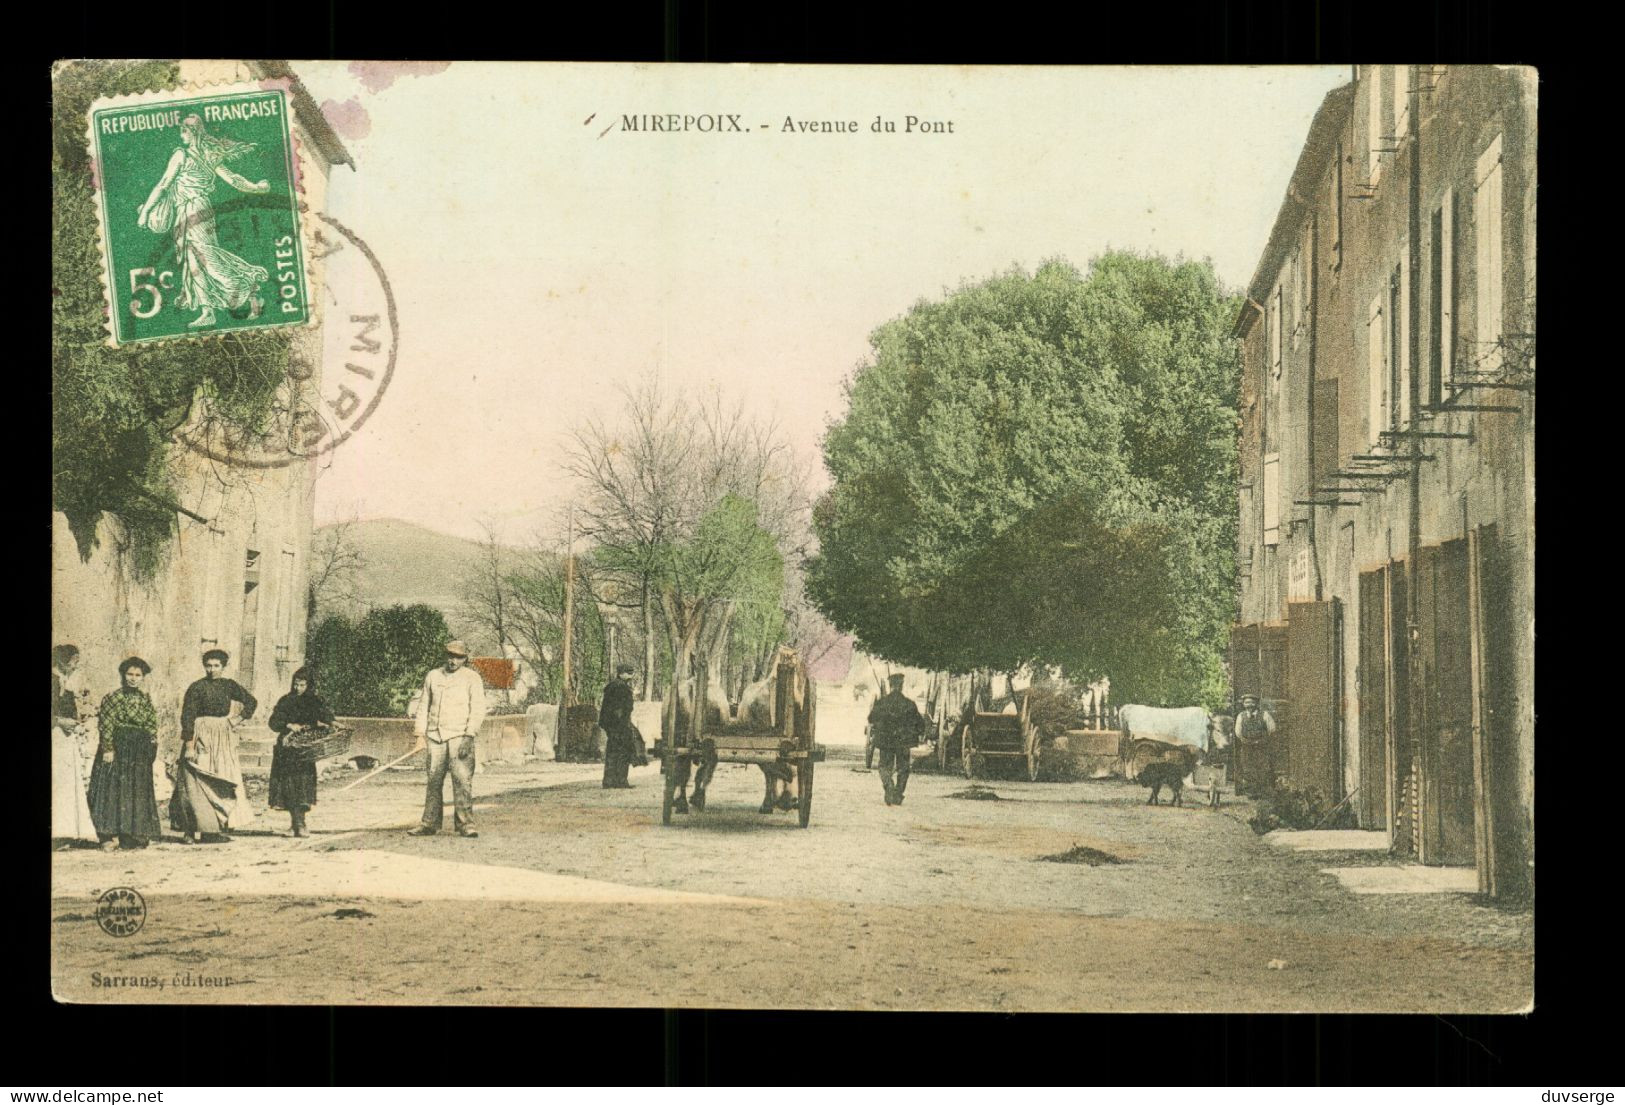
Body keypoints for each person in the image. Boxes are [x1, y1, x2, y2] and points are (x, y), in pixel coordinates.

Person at [136, 113, 272, 329]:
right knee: (193, 260)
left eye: (184, 130)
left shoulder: (182, 155)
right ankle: (208, 310)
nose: (181, 134)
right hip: (193, 209)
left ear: (194, 132)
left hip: (195, 209)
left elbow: (163, 184)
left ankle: (244, 280)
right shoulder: (209, 156)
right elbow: (234, 180)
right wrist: (255, 187)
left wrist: (145, 213)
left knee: (204, 254)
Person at [172, 649, 257, 843]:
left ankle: (213, 830)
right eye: (208, 665)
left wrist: (237, 719)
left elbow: (251, 701)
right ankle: (189, 830)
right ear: (204, 666)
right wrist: (189, 745)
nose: (212, 670)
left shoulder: (229, 686)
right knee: (194, 782)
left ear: (223, 667)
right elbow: (187, 717)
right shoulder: (197, 687)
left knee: (219, 781)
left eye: (216, 665)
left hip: (222, 738)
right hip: (200, 735)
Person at [408, 640, 487, 838]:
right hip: (435, 737)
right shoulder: (433, 676)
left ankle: (465, 824)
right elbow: (423, 706)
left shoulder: (472, 678)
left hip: (460, 736)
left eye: (458, 657)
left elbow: (478, 709)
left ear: (465, 659)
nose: (453, 661)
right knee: (433, 780)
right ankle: (429, 823)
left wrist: (469, 736)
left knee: (462, 781)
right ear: (445, 656)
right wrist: (419, 735)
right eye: (450, 656)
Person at [87, 657, 163, 850]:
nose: (133, 679)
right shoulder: (113, 697)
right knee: (111, 789)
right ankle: (107, 836)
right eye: (130, 674)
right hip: (118, 748)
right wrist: (108, 748)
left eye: (138, 675)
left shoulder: (145, 699)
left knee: (135, 790)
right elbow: (106, 724)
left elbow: (151, 725)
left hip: (139, 750)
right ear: (123, 675)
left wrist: (152, 747)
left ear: (143, 677)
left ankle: (130, 835)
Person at [267, 667, 335, 838]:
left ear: (309, 685)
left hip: (304, 748)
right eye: (296, 684)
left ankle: (301, 824)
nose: (298, 688)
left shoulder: (314, 701)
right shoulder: (285, 700)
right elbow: (274, 722)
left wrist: (333, 724)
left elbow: (326, 717)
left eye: (302, 685)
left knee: (303, 785)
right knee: (288, 785)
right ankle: (294, 824)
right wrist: (289, 725)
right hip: (287, 748)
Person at [51, 645, 98, 848]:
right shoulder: (54, 681)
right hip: (55, 734)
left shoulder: (66, 683)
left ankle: (67, 830)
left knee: (67, 782)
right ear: (62, 661)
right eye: (73, 661)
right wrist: (60, 721)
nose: (75, 665)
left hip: (66, 737)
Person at [867, 673, 929, 806]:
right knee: (904, 768)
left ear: (890, 686)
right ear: (901, 686)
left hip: (886, 741)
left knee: (884, 766)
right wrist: (918, 732)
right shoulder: (909, 704)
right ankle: (898, 793)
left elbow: (871, 718)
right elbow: (920, 723)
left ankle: (888, 786)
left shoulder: (882, 703)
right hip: (904, 742)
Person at [599, 663, 644, 789]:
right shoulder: (621, 687)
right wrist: (623, 724)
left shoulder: (612, 685)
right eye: (628, 672)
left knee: (612, 752)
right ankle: (621, 781)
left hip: (611, 724)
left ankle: (609, 781)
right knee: (623, 752)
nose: (631, 675)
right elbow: (621, 708)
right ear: (621, 673)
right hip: (619, 724)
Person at [1233, 693, 1277, 796]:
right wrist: (1246, 740)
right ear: (1244, 704)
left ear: (1256, 703)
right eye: (1247, 702)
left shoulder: (1264, 715)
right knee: (1248, 768)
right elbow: (1238, 732)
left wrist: (1262, 740)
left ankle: (1263, 791)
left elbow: (1272, 729)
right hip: (1247, 746)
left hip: (1261, 747)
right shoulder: (1241, 716)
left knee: (1263, 768)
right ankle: (1251, 792)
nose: (1249, 705)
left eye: (1252, 702)